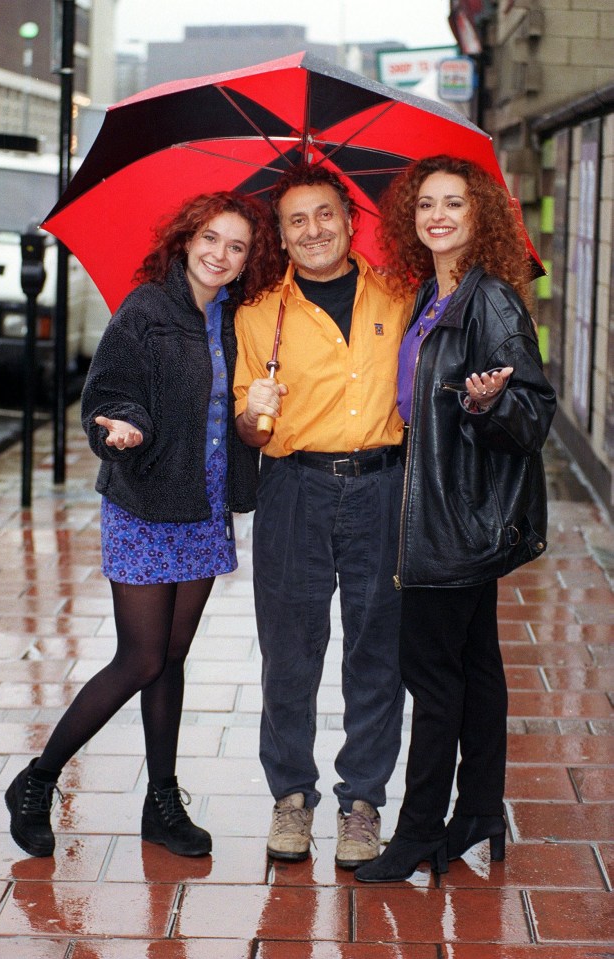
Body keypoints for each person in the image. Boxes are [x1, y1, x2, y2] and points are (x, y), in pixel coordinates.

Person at [5, 191, 283, 859]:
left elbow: (236, 413)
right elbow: (106, 391)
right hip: (144, 501)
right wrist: (121, 426)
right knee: (140, 657)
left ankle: (161, 801)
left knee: (172, 659)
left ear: (249, 258)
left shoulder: (235, 319)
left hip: (204, 505)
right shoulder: (147, 310)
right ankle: (37, 779)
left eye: (237, 245)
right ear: (186, 239)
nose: (220, 253)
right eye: (210, 238)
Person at [354, 155, 556, 884]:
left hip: (454, 518)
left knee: (429, 675)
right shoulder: (430, 296)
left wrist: (485, 401)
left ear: (480, 219)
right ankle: (476, 812)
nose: (437, 215)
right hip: (444, 508)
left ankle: (415, 835)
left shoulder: (489, 302)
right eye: (425, 205)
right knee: (474, 669)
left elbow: (531, 414)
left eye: (454, 204)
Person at [233, 164, 413, 869]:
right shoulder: (257, 315)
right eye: (296, 220)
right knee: (289, 650)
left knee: (376, 650)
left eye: (325, 214)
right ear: (280, 235)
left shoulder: (398, 294)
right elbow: (248, 430)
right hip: (293, 488)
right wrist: (253, 415)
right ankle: (290, 798)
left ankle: (362, 802)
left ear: (348, 219)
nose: (313, 230)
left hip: (382, 485)